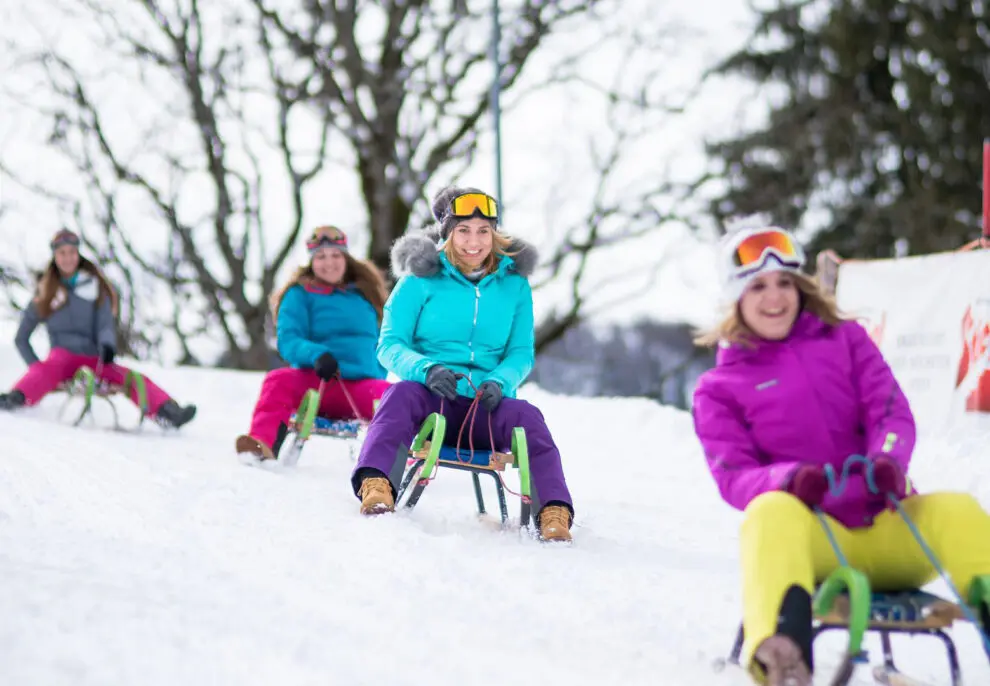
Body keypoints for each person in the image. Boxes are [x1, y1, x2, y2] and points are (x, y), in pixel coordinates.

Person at [691, 226, 990, 686]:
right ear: (736, 299)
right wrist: (790, 480)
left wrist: (888, 460)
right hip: (814, 543)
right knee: (768, 514)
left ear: (801, 287)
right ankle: (784, 658)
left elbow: (890, 411)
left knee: (959, 510)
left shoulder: (845, 340)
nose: (775, 298)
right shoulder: (719, 389)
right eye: (757, 287)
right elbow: (735, 476)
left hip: (888, 531)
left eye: (784, 283)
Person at [349, 186, 574, 542]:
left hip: (485, 404)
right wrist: (427, 370)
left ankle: (553, 512)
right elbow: (390, 344)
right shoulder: (419, 280)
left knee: (529, 417)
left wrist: (500, 381)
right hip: (432, 399)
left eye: (484, 231)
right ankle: (376, 483)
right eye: (463, 230)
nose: (475, 241)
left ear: (495, 233)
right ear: (447, 233)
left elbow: (520, 352)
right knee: (399, 395)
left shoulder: (514, 286)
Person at [0, 228, 197, 428]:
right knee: (43, 372)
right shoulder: (45, 294)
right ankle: (15, 399)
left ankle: (168, 412)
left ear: (78, 255)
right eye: (62, 253)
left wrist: (107, 346)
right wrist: (35, 366)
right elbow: (21, 338)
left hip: (95, 359)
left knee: (133, 378)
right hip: (61, 359)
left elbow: (104, 325)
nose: (68, 258)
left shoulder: (95, 289)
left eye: (72, 252)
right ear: (55, 257)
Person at [235, 226, 391, 461]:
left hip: (361, 387)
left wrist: (376, 368)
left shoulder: (366, 296)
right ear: (311, 262)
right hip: (316, 383)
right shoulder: (299, 294)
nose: (329, 262)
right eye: (321, 257)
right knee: (278, 381)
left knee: (398, 397)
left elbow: (385, 340)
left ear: (346, 258)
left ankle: (404, 462)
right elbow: (288, 339)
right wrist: (316, 354)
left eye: (336, 255)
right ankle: (262, 445)